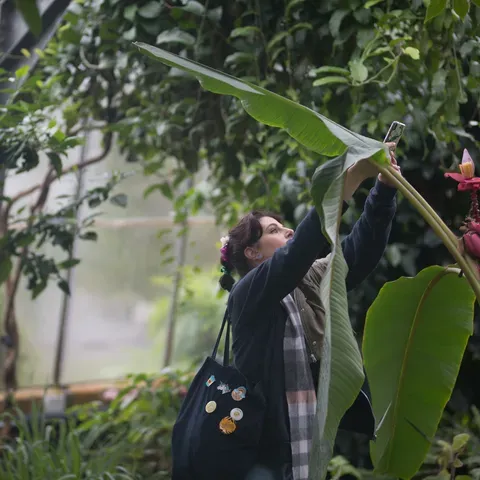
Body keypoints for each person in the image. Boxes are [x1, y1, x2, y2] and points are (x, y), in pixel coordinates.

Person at [218, 146, 401, 480]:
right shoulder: (247, 294)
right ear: (252, 253)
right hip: (263, 449)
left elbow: (359, 251)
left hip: (304, 440)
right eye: (274, 230)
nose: (287, 231)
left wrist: (384, 191)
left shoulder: (308, 280)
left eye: (284, 227)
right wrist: (353, 177)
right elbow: (298, 252)